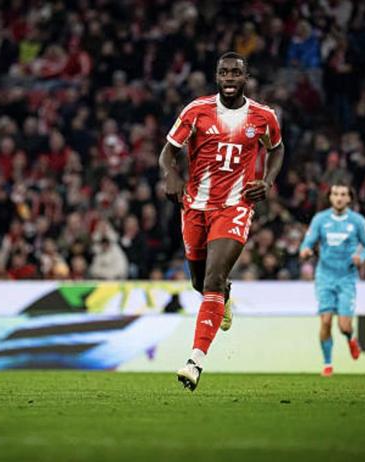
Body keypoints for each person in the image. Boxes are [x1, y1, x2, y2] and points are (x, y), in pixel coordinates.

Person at [159, 52, 285, 390]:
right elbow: (168, 152)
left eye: (236, 73)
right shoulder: (196, 110)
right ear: (217, 77)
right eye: (224, 72)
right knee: (200, 283)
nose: (229, 77)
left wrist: (267, 181)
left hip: (235, 206)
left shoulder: (263, 116)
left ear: (245, 78)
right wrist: (171, 175)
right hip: (195, 205)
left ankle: (194, 362)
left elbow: (277, 148)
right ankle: (223, 296)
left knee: (213, 278)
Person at [299, 183, 365, 377]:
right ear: (330, 197)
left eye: (343, 194)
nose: (339, 198)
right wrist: (305, 251)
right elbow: (307, 242)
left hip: (347, 278)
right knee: (325, 321)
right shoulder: (320, 219)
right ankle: (327, 364)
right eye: (335, 194)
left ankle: (351, 338)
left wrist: (361, 257)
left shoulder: (357, 221)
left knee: (344, 326)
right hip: (325, 277)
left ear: (349, 198)